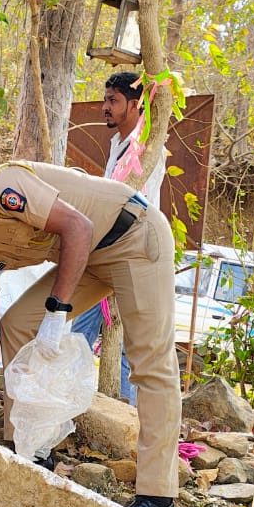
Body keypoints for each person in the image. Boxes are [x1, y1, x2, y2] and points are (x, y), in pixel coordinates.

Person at [0, 163, 181, 507]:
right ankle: (28, 449)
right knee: (17, 324)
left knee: (151, 364)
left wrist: (57, 311)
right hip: (84, 260)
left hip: (131, 236)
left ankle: (158, 497)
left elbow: (78, 226)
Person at [71, 71, 168, 401]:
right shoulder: (118, 146)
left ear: (134, 104)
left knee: (126, 347)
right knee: (77, 333)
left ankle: (123, 417)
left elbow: (137, 205)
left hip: (131, 253)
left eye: (113, 101)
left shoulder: (147, 151)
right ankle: (68, 400)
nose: (105, 107)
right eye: (105, 100)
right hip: (106, 251)